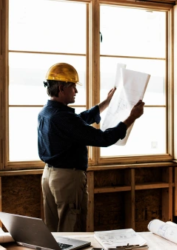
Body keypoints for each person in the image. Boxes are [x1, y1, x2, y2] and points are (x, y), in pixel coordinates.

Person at [38, 62, 144, 232]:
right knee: (72, 231)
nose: (76, 91)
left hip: (49, 175)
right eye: (73, 87)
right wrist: (131, 117)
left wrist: (106, 103)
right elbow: (103, 138)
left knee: (53, 230)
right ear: (61, 87)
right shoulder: (63, 117)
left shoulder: (47, 112)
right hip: (67, 178)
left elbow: (78, 121)